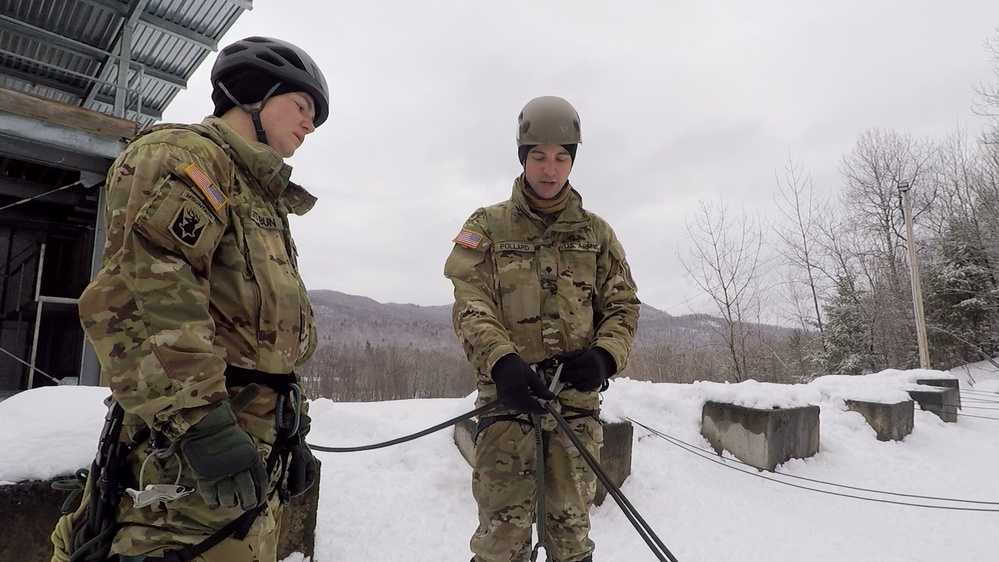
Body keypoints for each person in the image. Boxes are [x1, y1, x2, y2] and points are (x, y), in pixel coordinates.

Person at [50, 36, 328, 562]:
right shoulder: (186, 159)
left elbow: (260, 336)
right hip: (183, 467)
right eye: (303, 106)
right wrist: (201, 422)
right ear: (253, 95)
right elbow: (141, 295)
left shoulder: (258, 195)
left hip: (248, 455)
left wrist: (294, 427)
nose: (310, 125)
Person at [444, 96, 641, 562]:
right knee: (500, 542)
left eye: (561, 157)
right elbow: (470, 301)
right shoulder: (486, 226)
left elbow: (624, 306)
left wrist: (604, 357)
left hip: (574, 414)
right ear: (522, 157)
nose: (550, 169)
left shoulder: (597, 235)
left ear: (573, 159)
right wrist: (502, 361)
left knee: (571, 541)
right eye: (538, 156)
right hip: (506, 408)